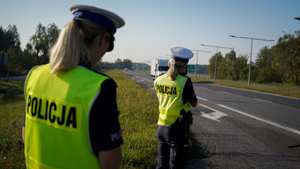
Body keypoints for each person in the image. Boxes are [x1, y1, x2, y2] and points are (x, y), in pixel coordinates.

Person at [22, 4, 125, 169]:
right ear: (102, 39)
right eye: (109, 45)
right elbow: (110, 163)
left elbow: (26, 135)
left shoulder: (34, 75)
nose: (106, 50)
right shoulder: (100, 87)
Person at [154, 47, 198, 169]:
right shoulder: (185, 81)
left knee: (161, 163)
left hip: (161, 126)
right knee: (177, 164)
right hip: (176, 129)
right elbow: (194, 103)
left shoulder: (158, 80)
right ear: (184, 66)